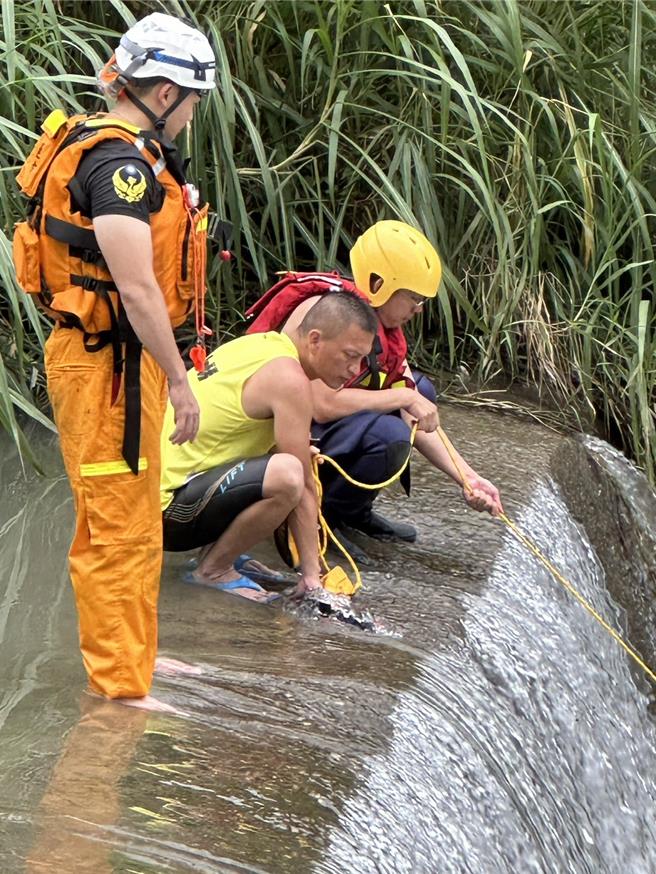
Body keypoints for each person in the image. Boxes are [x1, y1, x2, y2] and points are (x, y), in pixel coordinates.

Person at [13, 13, 217, 709]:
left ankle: (139, 655)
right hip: (104, 367)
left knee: (135, 512)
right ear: (164, 94)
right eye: (193, 101)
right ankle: (120, 686)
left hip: (125, 368)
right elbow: (135, 288)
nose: (193, 116)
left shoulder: (124, 153)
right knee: (115, 526)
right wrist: (185, 381)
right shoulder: (122, 167)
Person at [244, 221, 503, 561]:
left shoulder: (375, 321)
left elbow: (414, 401)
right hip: (274, 438)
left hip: (315, 427)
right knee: (389, 435)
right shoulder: (328, 314)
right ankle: (323, 520)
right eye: (413, 297)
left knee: (420, 391)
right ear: (379, 284)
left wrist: (468, 478)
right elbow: (319, 404)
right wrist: (403, 397)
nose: (419, 308)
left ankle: (353, 512)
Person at [160, 292, 378, 601]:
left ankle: (224, 554)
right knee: (288, 473)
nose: (356, 370)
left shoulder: (261, 345)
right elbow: (301, 484)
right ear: (315, 340)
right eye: (349, 355)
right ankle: (213, 569)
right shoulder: (291, 380)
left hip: (163, 497)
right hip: (168, 512)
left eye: (362, 359)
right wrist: (313, 577)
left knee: (287, 461)